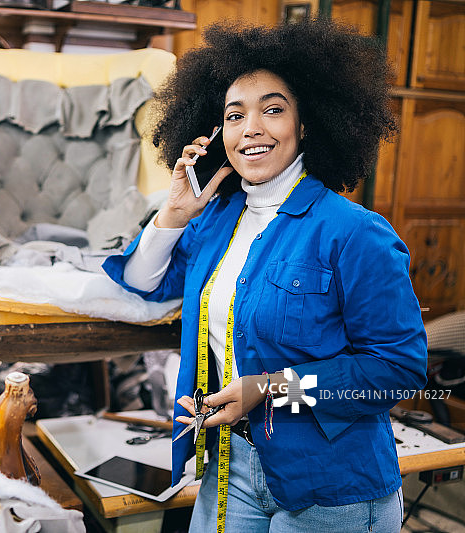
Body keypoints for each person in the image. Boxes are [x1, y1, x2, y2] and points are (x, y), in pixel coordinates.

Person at [103, 18, 427, 532]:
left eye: (272, 109)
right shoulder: (215, 221)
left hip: (332, 485)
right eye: (234, 115)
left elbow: (398, 370)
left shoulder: (355, 232)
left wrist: (274, 389)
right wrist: (174, 213)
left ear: (307, 123)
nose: (250, 128)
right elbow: (144, 283)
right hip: (229, 467)